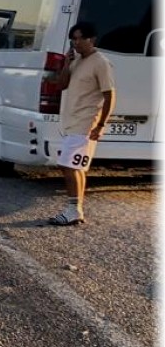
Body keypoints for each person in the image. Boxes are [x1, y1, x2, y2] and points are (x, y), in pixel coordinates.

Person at [48, 22, 115, 226]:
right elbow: (61, 85)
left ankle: (73, 208)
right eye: (73, 39)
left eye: (79, 38)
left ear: (91, 39)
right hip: (72, 122)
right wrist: (67, 64)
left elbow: (110, 94)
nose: (75, 43)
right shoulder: (77, 60)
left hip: (85, 123)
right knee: (77, 167)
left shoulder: (100, 62)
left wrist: (101, 125)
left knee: (67, 165)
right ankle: (76, 209)